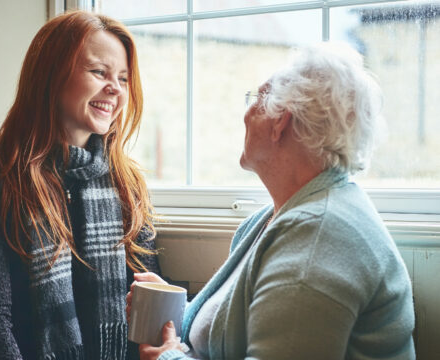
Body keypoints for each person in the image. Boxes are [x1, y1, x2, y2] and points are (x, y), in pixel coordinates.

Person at [127, 42, 415, 359]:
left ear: (281, 122)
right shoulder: (276, 217)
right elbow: (233, 328)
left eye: (257, 98)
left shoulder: (319, 235)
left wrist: (169, 358)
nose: (246, 114)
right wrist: (174, 309)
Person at [0, 10, 160, 360]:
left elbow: (149, 302)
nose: (115, 89)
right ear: (50, 76)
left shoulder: (128, 183)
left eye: (123, 78)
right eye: (99, 72)